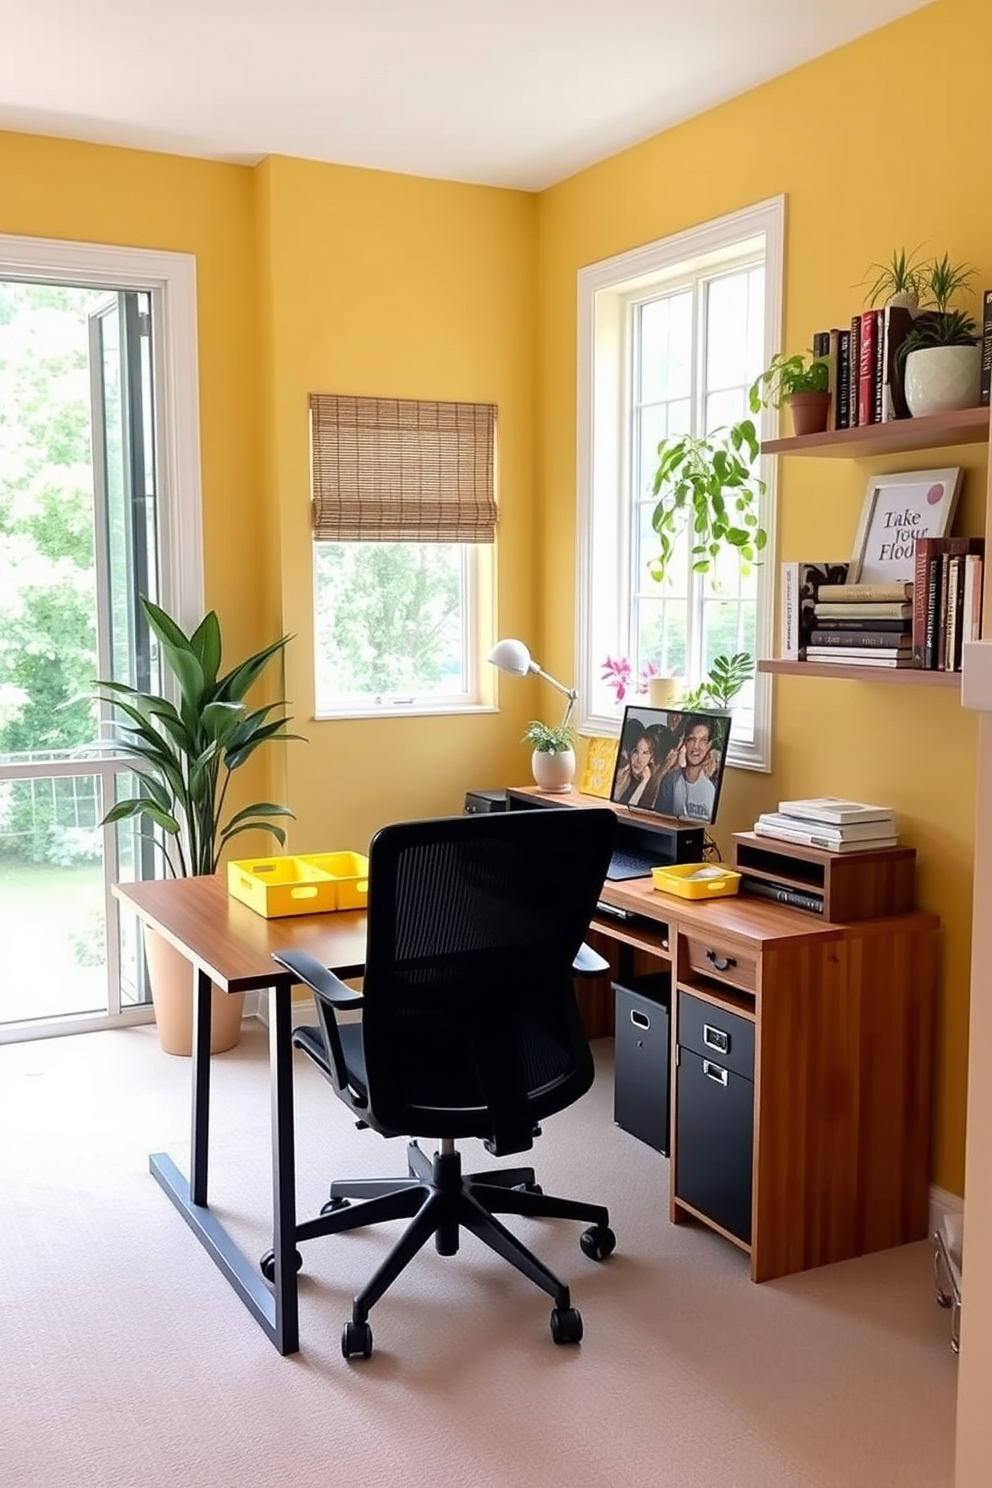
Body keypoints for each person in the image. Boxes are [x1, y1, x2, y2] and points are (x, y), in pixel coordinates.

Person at [652, 715, 720, 821]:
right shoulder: (671, 781)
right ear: (684, 743)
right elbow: (661, 820)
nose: (696, 746)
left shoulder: (713, 786)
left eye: (702, 740)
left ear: (709, 745)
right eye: (692, 739)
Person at [611, 728, 657, 807]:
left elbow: (630, 811)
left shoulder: (651, 787)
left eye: (645, 753)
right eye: (636, 751)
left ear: (651, 759)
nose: (639, 759)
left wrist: (643, 783)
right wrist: (618, 785)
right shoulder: (623, 773)